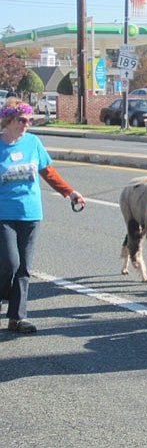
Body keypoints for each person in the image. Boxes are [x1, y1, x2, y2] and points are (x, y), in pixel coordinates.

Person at [0, 99, 86, 333]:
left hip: (30, 213)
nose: (27, 124)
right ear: (8, 121)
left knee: (24, 267)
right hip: (3, 214)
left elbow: (48, 172)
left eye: (29, 120)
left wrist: (70, 192)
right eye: (22, 120)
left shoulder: (33, 143)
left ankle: (17, 318)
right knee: (9, 263)